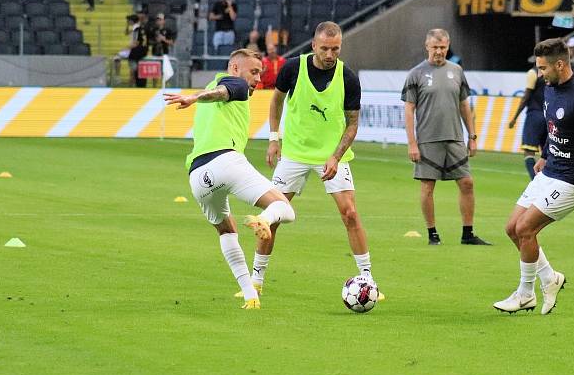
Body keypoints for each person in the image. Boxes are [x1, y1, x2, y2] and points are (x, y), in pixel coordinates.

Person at [250, 21, 382, 300]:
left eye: (335, 49)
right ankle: (256, 281)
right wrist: (274, 138)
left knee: (350, 214)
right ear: (313, 46)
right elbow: (276, 102)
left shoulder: (347, 77)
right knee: (273, 216)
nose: (330, 54)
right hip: (294, 155)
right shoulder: (293, 68)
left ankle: (368, 279)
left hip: (331, 156)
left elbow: (353, 123)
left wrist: (336, 156)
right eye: (325, 48)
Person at [163, 49, 296, 310]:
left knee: (226, 230)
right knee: (284, 209)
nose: (258, 78)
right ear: (235, 67)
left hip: (198, 177)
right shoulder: (235, 83)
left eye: (261, 73)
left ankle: (249, 296)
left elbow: (216, 93)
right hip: (226, 162)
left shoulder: (215, 81)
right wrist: (195, 98)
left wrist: (196, 97)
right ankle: (264, 220)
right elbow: (223, 92)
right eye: (254, 71)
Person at [494, 38, 574, 315]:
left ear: (561, 64)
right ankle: (550, 278)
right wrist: (544, 154)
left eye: (543, 68)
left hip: (571, 180)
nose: (540, 73)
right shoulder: (549, 89)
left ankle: (525, 294)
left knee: (525, 229)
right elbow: (553, 128)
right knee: (511, 229)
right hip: (550, 170)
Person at [402, 29, 490, 246]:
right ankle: (433, 234)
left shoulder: (457, 71)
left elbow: (464, 105)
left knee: (467, 183)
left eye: (443, 47)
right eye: (435, 47)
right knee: (427, 187)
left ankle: (468, 233)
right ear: (427, 46)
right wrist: (412, 143)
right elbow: (408, 109)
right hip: (427, 141)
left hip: (455, 138)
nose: (439, 51)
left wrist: (472, 136)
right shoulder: (416, 74)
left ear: (448, 46)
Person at [508, 63, 547, 180]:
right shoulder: (552, 73)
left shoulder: (533, 73)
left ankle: (536, 183)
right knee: (547, 154)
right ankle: (550, 183)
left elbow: (526, 96)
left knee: (528, 152)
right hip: (548, 116)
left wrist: (514, 117)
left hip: (534, 115)